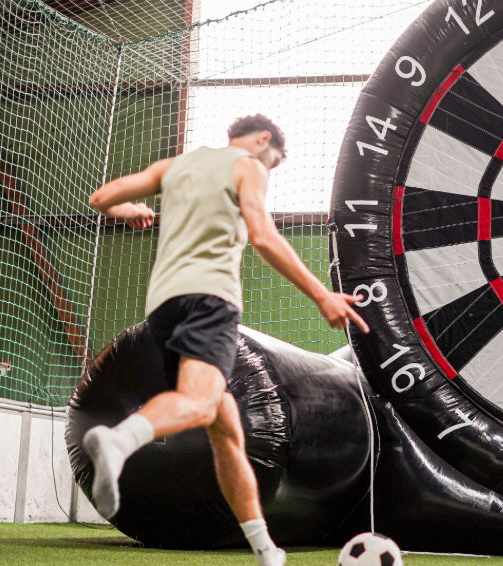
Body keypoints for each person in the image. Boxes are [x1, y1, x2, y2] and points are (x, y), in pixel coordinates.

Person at [84, 114, 369, 566]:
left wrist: (129, 210)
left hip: (163, 305)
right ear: (262, 140)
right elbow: (262, 235)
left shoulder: (176, 166)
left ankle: (265, 549)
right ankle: (119, 442)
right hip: (209, 301)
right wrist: (321, 295)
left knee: (226, 429)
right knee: (197, 403)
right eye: (274, 161)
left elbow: (102, 198)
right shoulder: (247, 165)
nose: (269, 170)